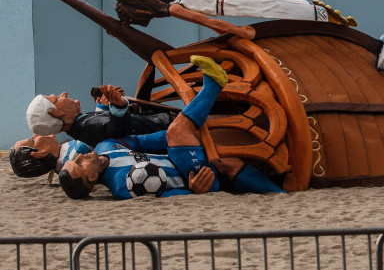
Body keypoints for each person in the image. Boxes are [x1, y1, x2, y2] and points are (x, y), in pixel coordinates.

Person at [57, 55, 284, 199]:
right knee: (178, 131)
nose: (80, 156)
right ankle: (214, 84)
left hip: (183, 156)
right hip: (194, 178)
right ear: (94, 176)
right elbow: (164, 193)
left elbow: (147, 140)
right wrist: (193, 190)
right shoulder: (121, 185)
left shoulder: (106, 145)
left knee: (230, 164)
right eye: (80, 163)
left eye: (75, 158)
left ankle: (281, 193)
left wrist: (176, 136)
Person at [113, 0, 357, 39]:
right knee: (272, 4)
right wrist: (240, 32)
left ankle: (316, 12)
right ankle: (320, 16)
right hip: (231, 4)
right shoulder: (174, 8)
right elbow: (207, 22)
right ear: (139, 2)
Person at [25, 84, 174, 147]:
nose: (64, 94)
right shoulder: (87, 127)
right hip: (168, 125)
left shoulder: (82, 126)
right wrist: (118, 107)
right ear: (56, 112)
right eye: (57, 99)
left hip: (163, 122)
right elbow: (116, 130)